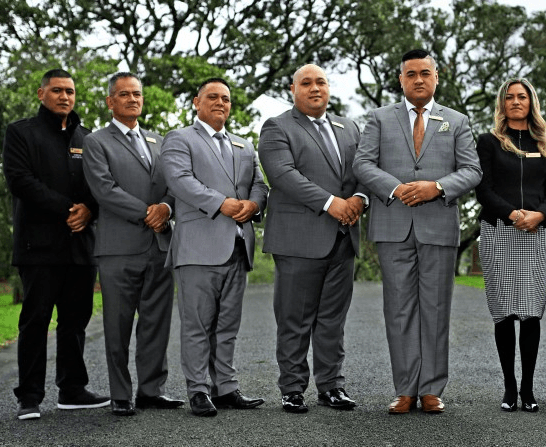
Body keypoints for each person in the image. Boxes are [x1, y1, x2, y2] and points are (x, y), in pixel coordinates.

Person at [353, 49, 482, 414]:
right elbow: (362, 164)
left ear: (436, 77)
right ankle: (406, 389)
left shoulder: (457, 121)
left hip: (438, 226)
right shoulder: (379, 118)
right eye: (411, 74)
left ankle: (431, 390)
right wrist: (396, 188)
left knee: (436, 309)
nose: (419, 79)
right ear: (401, 80)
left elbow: (472, 170)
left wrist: (436, 187)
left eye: (425, 73)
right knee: (399, 309)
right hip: (392, 226)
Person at [258, 64, 368, 413]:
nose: (315, 88)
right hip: (298, 240)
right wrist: (332, 203)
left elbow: (366, 169)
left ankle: (331, 386)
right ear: (293, 90)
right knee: (294, 319)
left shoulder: (349, 127)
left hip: (343, 238)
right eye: (306, 83)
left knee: (333, 320)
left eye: (321, 82)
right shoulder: (277, 127)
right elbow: (282, 175)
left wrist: (360, 199)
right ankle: (292, 388)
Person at [2, 68, 110, 420]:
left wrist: (89, 210)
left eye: (70, 91)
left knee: (75, 320)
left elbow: (101, 184)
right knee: (35, 321)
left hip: (81, 246)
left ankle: (72, 389)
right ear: (41, 94)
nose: (65, 97)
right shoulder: (21, 132)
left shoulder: (88, 137)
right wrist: (69, 209)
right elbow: (20, 181)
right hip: (38, 246)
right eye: (57, 90)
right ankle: (29, 396)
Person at [161, 77, 268, 417]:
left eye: (226, 98)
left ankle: (226, 388)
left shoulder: (244, 145)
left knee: (228, 325)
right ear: (196, 102)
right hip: (198, 248)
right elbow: (180, 181)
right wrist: (221, 203)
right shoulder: (179, 138)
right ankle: (198, 390)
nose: (220, 102)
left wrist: (254, 204)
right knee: (197, 325)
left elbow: (259, 184)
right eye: (212, 97)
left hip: (238, 246)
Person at [82, 72, 184, 416]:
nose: (132, 99)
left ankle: (152, 391)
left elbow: (177, 182)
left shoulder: (160, 141)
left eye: (136, 94)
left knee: (156, 323)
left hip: (160, 246)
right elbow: (104, 190)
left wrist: (166, 207)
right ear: (110, 101)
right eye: (124, 94)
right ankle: (120, 394)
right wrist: (148, 213)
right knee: (117, 325)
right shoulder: (96, 142)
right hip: (118, 249)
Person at [474, 78, 546, 413]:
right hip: (500, 230)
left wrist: (539, 215)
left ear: (531, 102)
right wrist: (512, 214)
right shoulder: (489, 142)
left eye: (521, 96)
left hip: (537, 232)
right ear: (502, 104)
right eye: (509, 97)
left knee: (531, 312)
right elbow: (483, 189)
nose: (515, 101)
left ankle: (528, 388)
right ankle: (510, 386)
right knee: (504, 312)